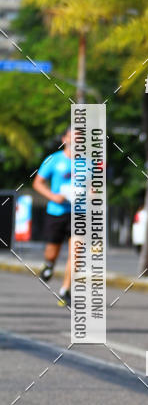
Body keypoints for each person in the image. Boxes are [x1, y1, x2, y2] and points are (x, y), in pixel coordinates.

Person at [32, 126, 73, 307]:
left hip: (79, 213)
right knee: (52, 250)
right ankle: (49, 265)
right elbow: (38, 183)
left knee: (77, 252)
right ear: (65, 139)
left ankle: (66, 289)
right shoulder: (53, 160)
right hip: (56, 211)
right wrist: (53, 197)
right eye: (73, 137)